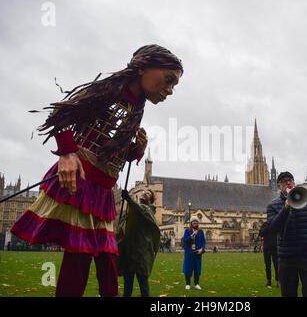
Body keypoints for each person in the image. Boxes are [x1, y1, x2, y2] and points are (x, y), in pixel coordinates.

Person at [10, 45, 183, 297]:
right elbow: (61, 113)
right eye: (168, 80)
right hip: (82, 182)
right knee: (78, 259)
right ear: (143, 67)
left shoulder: (136, 107)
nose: (169, 90)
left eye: (174, 85)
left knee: (108, 263)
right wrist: (67, 153)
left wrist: (136, 150)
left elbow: (111, 151)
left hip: (102, 191)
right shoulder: (109, 91)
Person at [267, 171, 307, 297]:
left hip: (306, 256)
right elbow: (273, 228)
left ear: (294, 183)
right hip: (286, 258)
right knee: (288, 294)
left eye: (290, 180)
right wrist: (285, 208)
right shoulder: (273, 205)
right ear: (279, 186)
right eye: (284, 181)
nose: (288, 182)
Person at [116, 188, 160, 297]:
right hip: (130, 251)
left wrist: (129, 200)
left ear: (151, 200)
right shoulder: (132, 209)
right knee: (127, 286)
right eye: (144, 192)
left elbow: (141, 210)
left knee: (143, 285)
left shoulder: (148, 210)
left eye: (148, 194)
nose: (145, 193)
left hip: (142, 253)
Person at [182, 216, 206, 290]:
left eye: (196, 221)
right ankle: (188, 284)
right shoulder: (187, 231)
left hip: (197, 253)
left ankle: (196, 284)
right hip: (189, 253)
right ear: (191, 223)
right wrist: (192, 235)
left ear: (198, 223)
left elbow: (203, 242)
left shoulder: (201, 231)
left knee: (197, 269)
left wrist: (202, 249)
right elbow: (185, 240)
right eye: (193, 221)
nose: (195, 222)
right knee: (188, 268)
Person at [259, 221, 279, 287]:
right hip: (267, 247)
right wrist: (267, 227)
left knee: (276, 265)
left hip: (275, 247)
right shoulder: (265, 224)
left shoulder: (276, 223)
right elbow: (261, 234)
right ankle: (268, 280)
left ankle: (278, 281)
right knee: (267, 265)